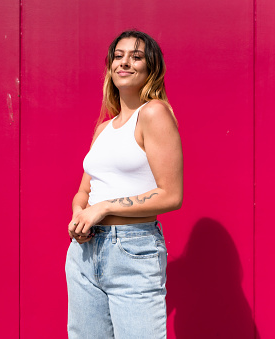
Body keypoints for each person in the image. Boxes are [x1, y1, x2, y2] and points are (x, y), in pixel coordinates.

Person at [65, 30, 183, 339]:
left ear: (151, 68)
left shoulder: (154, 113)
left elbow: (171, 195)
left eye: (136, 56)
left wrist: (102, 208)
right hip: (84, 252)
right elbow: (85, 190)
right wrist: (80, 211)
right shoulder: (104, 128)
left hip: (132, 248)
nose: (125, 62)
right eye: (118, 56)